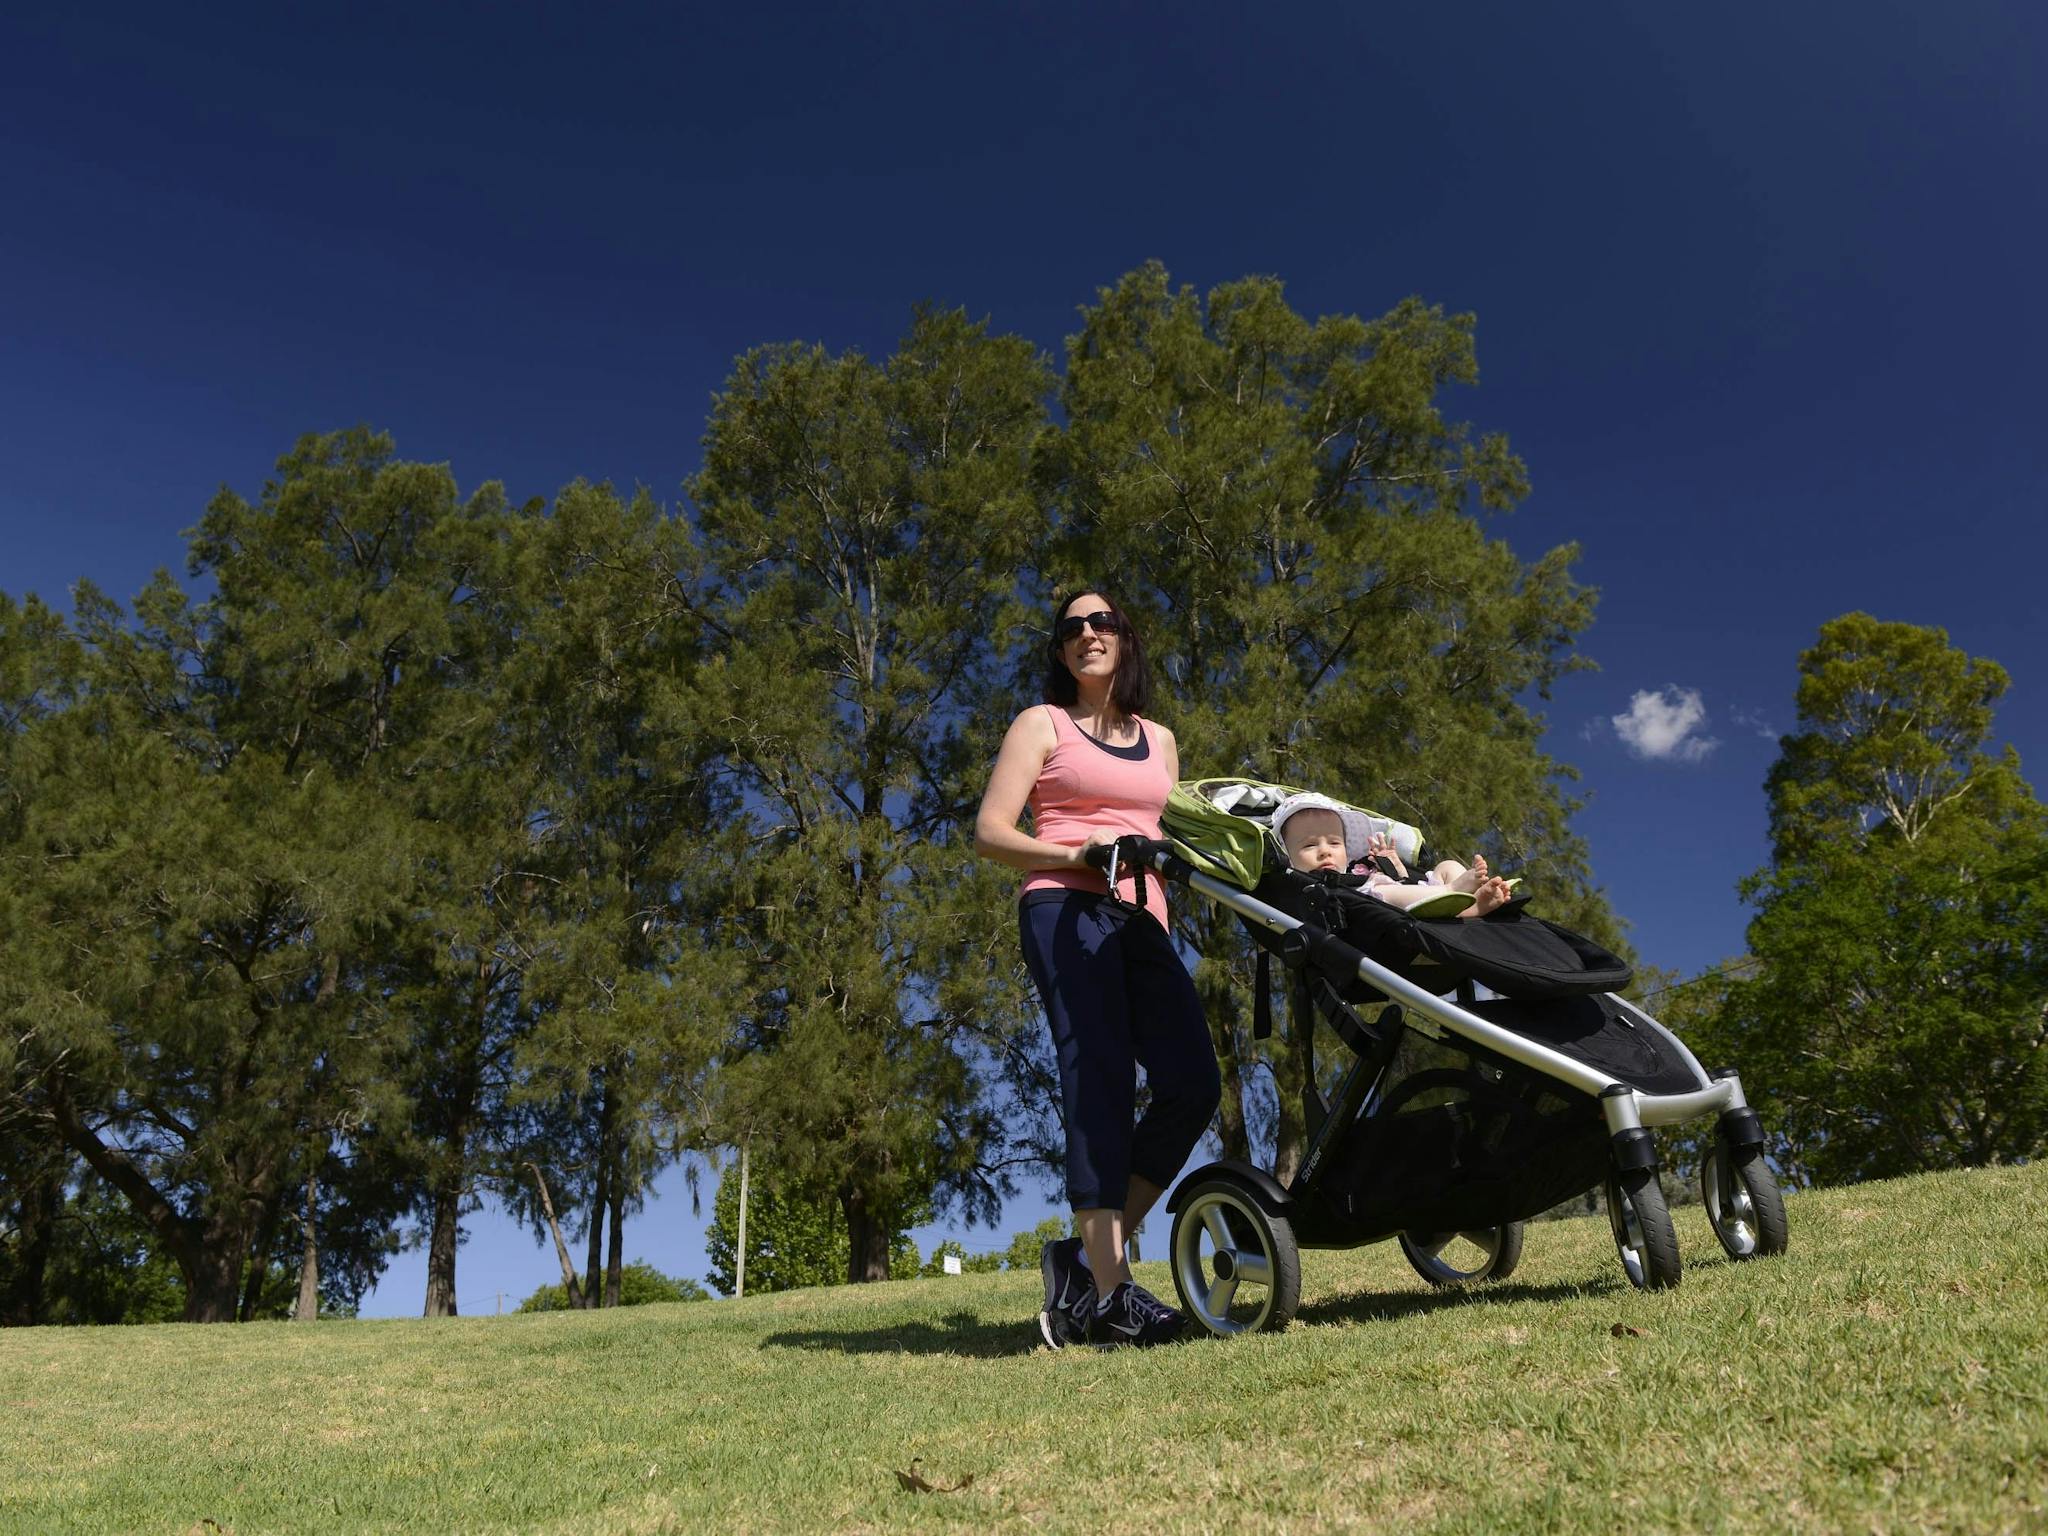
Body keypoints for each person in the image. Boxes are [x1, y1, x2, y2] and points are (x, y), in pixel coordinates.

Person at [974, 588, 1221, 1349]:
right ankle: (1112, 1296)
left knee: (1194, 1084)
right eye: (1072, 627)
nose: (1088, 632)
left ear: (1125, 638)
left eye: (1102, 621)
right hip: (1062, 907)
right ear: (1060, 651)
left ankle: (1081, 1261)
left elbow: (1178, 834)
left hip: (1142, 922)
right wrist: (1075, 853)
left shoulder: (1162, 740)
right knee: (1102, 1075)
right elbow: (988, 832)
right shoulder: (1040, 725)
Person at [1271, 792, 1514, 919]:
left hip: (1416, 894)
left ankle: (1470, 896)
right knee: (1380, 891)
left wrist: (1394, 866)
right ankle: (1455, 893)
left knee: (1447, 864)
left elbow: (1403, 883)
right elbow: (1391, 893)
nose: (1325, 850)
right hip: (1376, 906)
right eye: (1309, 846)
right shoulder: (1316, 889)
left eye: (1334, 842)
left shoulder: (1358, 869)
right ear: (1289, 858)